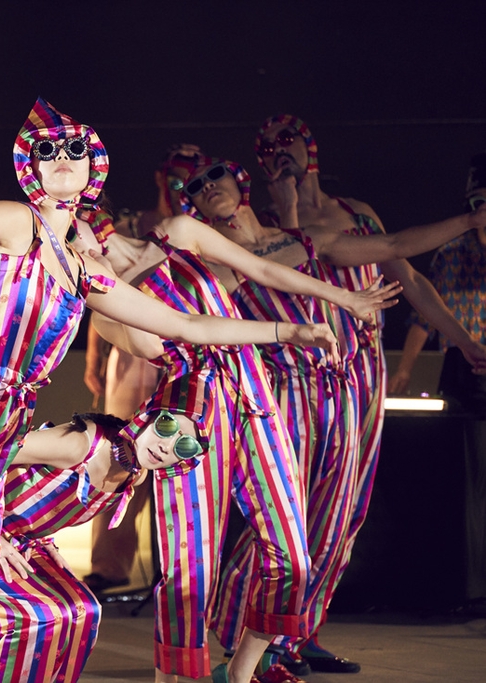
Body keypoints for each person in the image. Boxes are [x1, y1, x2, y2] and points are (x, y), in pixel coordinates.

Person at [0, 97, 340, 683]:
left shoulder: (82, 268)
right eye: (47, 152)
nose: (63, 158)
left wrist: (292, 329)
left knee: (57, 613)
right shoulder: (13, 220)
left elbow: (187, 326)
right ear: (33, 171)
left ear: (93, 166)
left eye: (76, 148)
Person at [64, 181, 405, 682]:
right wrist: (107, 280)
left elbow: (263, 268)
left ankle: (238, 674)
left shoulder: (178, 232)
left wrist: (344, 298)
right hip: (188, 417)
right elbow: (178, 332)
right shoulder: (104, 301)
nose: (64, 248)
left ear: (91, 216)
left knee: (292, 557)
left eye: (66, 233)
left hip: (255, 397)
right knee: (188, 571)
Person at [173, 156, 486, 682]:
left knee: (338, 518)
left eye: (215, 175)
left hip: (344, 391)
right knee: (283, 524)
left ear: (240, 181)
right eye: (196, 186)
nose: (208, 187)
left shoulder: (307, 239)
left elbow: (393, 249)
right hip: (283, 394)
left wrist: (470, 222)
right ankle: (242, 641)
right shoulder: (218, 267)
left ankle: (292, 637)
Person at [251, 114, 486, 674]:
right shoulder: (259, 224)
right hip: (298, 376)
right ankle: (266, 639)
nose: (280, 153)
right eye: (268, 149)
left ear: (313, 149)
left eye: (290, 142)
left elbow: (411, 279)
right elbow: (293, 269)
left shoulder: (356, 213)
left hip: (362, 373)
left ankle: (303, 631)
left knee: (343, 511)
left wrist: (465, 342)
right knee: (294, 509)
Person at [82, 145, 201, 595]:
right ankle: (109, 566)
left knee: (180, 449)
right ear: (160, 175)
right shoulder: (132, 224)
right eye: (175, 175)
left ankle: (183, 572)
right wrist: (93, 359)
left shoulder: (198, 228)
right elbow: (103, 289)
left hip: (185, 347)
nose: (181, 183)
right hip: (132, 351)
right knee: (122, 447)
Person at [0, 413, 149, 683]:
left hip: (23, 541)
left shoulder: (136, 474)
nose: (167, 448)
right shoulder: (81, 444)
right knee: (41, 616)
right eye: (166, 429)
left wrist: (45, 534)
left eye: (185, 447)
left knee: (85, 611)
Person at [388, 151, 486, 416]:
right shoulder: (452, 253)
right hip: (461, 364)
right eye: (480, 203)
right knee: (462, 440)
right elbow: (425, 312)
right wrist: (405, 368)